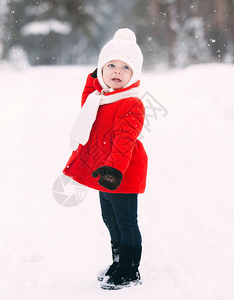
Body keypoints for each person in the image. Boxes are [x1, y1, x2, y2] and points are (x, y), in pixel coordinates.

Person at [63, 28, 148, 290]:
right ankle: (118, 261)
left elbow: (124, 143)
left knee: (125, 221)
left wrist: (114, 170)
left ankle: (130, 270)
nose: (117, 72)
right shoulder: (99, 98)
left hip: (122, 171)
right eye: (110, 65)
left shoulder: (131, 103)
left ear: (134, 74)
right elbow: (85, 99)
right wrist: (93, 78)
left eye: (125, 67)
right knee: (109, 218)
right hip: (105, 171)